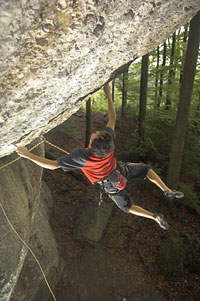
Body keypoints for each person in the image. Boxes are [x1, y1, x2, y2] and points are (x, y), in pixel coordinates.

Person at [15, 83, 184, 230]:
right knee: (146, 170)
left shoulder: (83, 156)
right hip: (119, 171)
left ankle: (154, 216)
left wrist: (28, 154)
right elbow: (113, 119)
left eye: (94, 134)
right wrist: (109, 95)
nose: (96, 131)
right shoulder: (109, 143)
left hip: (110, 184)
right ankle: (167, 191)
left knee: (127, 206)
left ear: (91, 146)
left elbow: (53, 165)